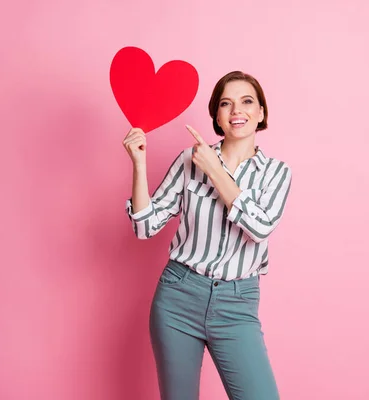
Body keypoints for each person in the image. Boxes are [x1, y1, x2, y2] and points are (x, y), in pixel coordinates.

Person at [122, 71, 292, 400]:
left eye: (246, 102)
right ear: (216, 114)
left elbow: (259, 227)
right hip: (178, 297)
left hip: (237, 304)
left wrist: (214, 169)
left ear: (261, 113)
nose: (236, 110)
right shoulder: (189, 160)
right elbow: (145, 226)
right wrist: (139, 164)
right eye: (226, 103)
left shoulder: (276, 173)